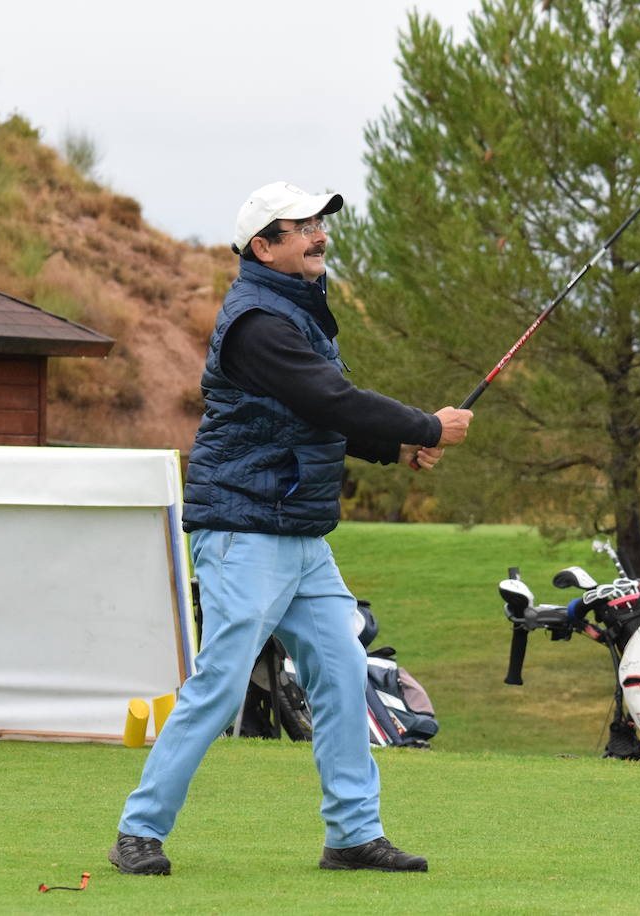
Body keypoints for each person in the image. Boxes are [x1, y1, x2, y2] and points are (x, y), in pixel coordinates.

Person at [109, 181, 473, 876]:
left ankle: (353, 835)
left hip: (298, 533)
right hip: (244, 528)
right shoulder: (258, 323)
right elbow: (330, 396)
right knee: (219, 687)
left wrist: (392, 447)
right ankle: (139, 829)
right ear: (262, 247)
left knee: (340, 672)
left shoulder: (297, 313)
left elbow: (315, 415)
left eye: (318, 222)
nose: (317, 233)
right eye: (299, 225)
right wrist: (427, 426)